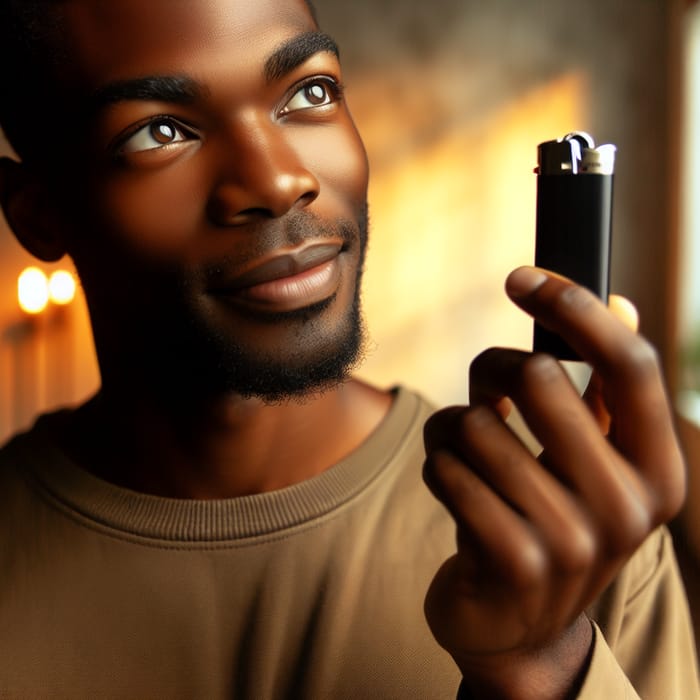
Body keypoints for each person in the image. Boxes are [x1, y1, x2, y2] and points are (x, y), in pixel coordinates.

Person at [0, 0, 696, 697]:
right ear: (38, 212)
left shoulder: (571, 536)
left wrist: (541, 666)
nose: (279, 181)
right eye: (158, 132)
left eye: (311, 91)